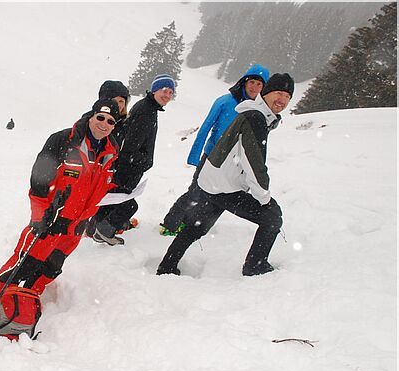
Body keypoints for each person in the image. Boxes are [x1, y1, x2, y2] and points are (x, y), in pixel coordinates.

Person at [156, 73, 294, 277]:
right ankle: (255, 266)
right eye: (279, 93)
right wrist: (263, 197)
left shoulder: (253, 113)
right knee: (272, 217)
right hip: (225, 186)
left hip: (213, 180)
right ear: (266, 93)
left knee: (197, 226)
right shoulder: (255, 118)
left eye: (287, 96)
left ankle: (167, 266)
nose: (282, 99)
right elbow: (254, 163)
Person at [0, 99, 120, 298]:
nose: (104, 124)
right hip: (51, 220)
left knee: (51, 268)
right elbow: (39, 181)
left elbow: (102, 187)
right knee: (23, 264)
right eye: (100, 117)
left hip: (76, 227)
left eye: (110, 121)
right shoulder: (64, 140)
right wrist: (40, 217)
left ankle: (28, 301)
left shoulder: (111, 152)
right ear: (91, 117)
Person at [160, 64, 270, 236]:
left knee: (216, 199)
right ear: (244, 82)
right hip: (212, 157)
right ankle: (170, 224)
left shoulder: (258, 110)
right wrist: (195, 156)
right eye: (252, 82)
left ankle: (191, 226)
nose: (254, 87)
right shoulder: (225, 101)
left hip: (234, 164)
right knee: (195, 193)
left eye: (259, 84)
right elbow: (206, 127)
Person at [91, 74, 174, 245]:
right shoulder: (146, 111)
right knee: (125, 204)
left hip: (129, 165)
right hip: (129, 167)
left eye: (170, 92)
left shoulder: (148, 108)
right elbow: (130, 146)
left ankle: (95, 229)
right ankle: (104, 230)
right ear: (155, 90)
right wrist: (145, 161)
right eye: (164, 91)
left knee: (112, 200)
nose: (167, 95)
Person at [84, 80, 131, 238]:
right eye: (115, 100)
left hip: (106, 173)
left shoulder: (121, 123)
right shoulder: (92, 120)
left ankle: (91, 228)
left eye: (122, 101)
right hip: (88, 173)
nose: (119, 105)